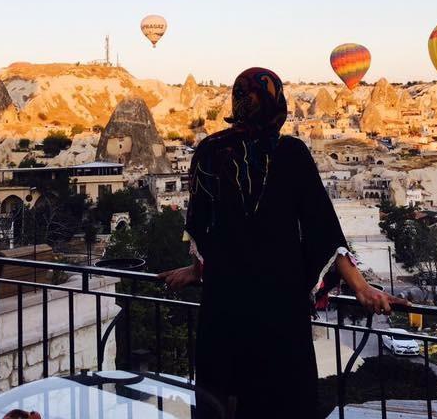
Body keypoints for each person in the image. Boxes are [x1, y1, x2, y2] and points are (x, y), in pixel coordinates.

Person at [159, 67, 408, 419]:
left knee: (224, 400)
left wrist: (197, 270)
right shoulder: (291, 153)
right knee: (281, 400)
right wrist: (361, 288)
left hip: (224, 307)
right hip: (278, 310)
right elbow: (323, 228)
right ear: (278, 104)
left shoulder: (210, 151)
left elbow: (202, 226)